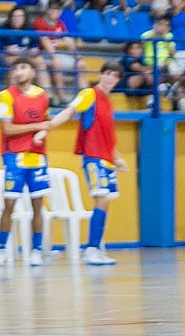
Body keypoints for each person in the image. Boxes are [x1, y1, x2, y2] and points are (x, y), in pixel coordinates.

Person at [44, 60, 128, 265]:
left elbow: (108, 135)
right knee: (101, 198)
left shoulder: (109, 103)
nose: (111, 78)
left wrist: (117, 158)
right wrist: (49, 125)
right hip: (93, 156)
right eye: (108, 73)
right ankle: (91, 248)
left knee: (105, 202)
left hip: (107, 158)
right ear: (100, 75)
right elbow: (70, 110)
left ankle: (97, 246)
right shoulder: (89, 94)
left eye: (115, 76)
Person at [0, 56, 52, 266]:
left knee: (38, 205)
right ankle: (1, 248)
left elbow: (46, 123)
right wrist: (36, 127)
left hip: (37, 156)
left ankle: (36, 250)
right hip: (14, 155)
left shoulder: (42, 96)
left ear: (33, 72)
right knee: (9, 204)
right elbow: (8, 129)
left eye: (23, 68)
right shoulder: (5, 97)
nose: (19, 72)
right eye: (16, 68)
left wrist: (42, 131)